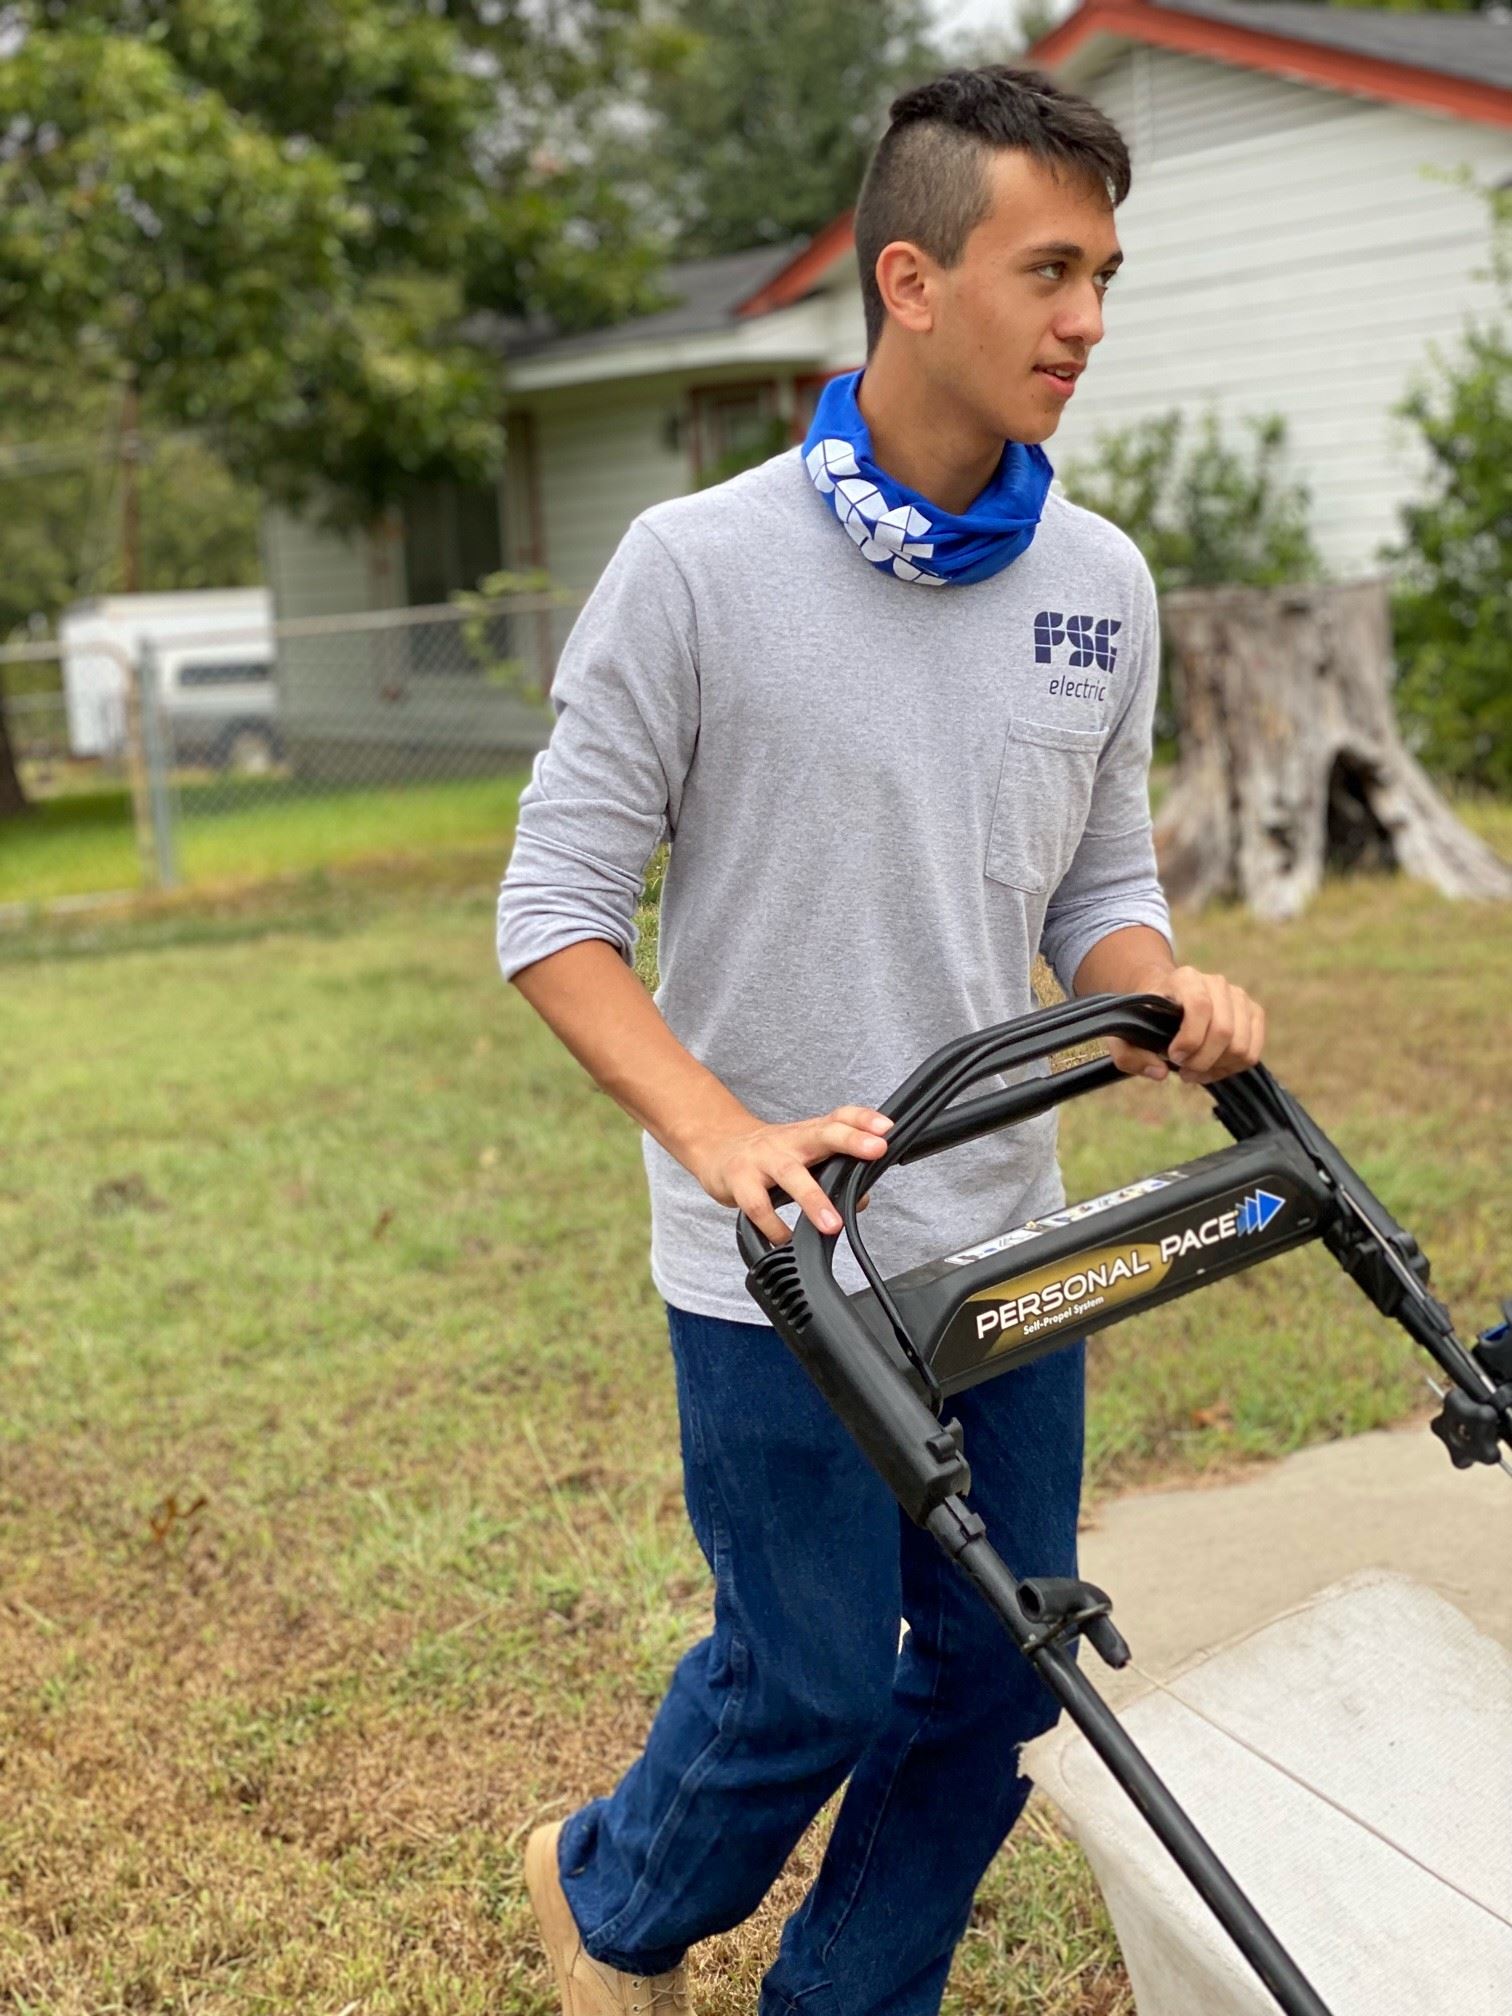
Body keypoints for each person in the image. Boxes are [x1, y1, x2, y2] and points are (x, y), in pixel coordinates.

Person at [500, 63, 1265, 2016]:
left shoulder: (1099, 586)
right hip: (774, 1259)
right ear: (910, 283)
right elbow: (555, 918)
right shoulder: (696, 570)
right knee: (818, 1679)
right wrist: (716, 1128)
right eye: (1051, 271)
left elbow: (1093, 868)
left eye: (1107, 273)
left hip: (1000, 1236)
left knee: (1005, 1665)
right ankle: (605, 1894)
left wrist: (1157, 977)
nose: (1090, 318)